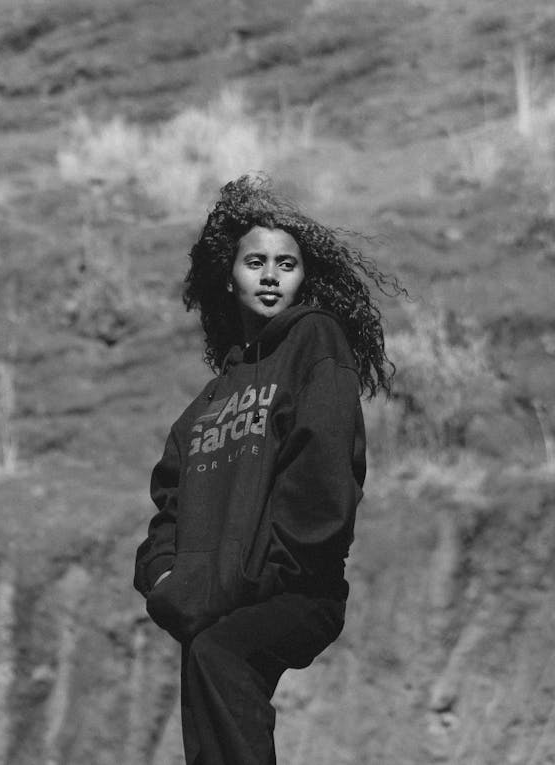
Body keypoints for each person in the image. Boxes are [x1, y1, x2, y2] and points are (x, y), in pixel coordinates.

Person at [134, 175, 398, 765]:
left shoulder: (316, 344)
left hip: (296, 586)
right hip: (216, 596)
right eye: (256, 262)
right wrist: (161, 577)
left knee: (222, 654)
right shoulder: (206, 405)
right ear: (229, 277)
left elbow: (325, 469)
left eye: (287, 263)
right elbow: (168, 507)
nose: (272, 275)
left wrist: (261, 572)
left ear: (305, 278)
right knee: (209, 660)